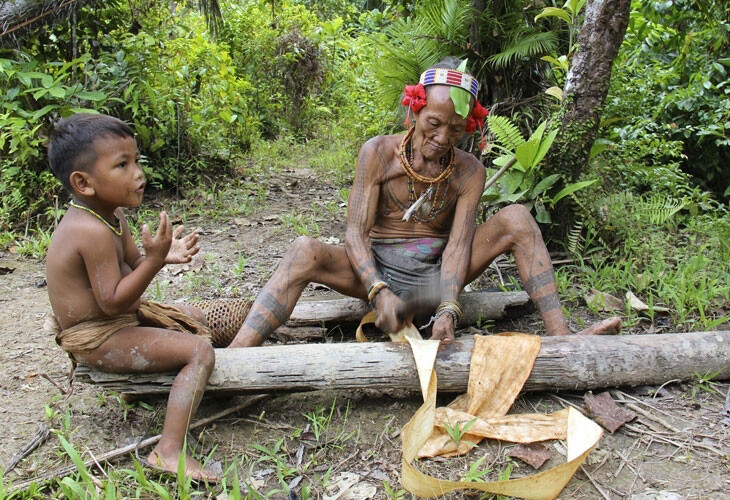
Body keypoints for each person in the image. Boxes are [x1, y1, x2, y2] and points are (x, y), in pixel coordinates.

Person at [228, 60, 620, 348]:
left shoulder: (469, 172)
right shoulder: (377, 153)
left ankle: (564, 341)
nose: (444, 136)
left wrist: (448, 308)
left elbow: (458, 247)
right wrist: (379, 291)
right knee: (303, 251)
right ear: (414, 112)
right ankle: (234, 357)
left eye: (456, 128)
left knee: (516, 218)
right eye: (434, 123)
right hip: (375, 270)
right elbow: (355, 234)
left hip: (433, 280)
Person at [45, 113, 218, 482]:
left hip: (117, 322)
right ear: (83, 183)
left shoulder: (112, 215)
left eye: (136, 160)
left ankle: (138, 389)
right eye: (122, 165)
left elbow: (134, 263)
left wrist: (162, 255)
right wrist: (155, 262)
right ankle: (168, 451)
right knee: (199, 351)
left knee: (194, 317)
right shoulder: (87, 230)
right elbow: (112, 302)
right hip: (98, 338)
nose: (137, 173)